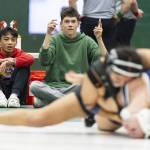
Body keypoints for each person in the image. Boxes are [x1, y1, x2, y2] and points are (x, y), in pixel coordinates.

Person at [0, 47, 149, 139]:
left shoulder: (111, 114)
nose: (130, 131)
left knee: (38, 118)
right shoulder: (139, 86)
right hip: (105, 83)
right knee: (38, 117)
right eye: (136, 129)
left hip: (103, 104)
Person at [30, 6, 107, 108]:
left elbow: (104, 61)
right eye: (66, 21)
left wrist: (99, 39)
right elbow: (44, 61)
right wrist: (48, 33)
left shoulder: (87, 41)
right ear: (61, 24)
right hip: (52, 87)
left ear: (78, 24)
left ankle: (48, 102)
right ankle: (71, 103)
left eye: (73, 21)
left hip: (76, 87)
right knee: (34, 85)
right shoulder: (54, 39)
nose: (70, 25)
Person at [0, 21, 34, 108]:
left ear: (16, 43)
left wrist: (13, 61)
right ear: (0, 42)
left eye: (13, 40)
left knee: (24, 65)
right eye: (6, 39)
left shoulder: (19, 53)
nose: (10, 42)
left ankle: (14, 96)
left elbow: (30, 58)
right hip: (2, 90)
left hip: (16, 95)